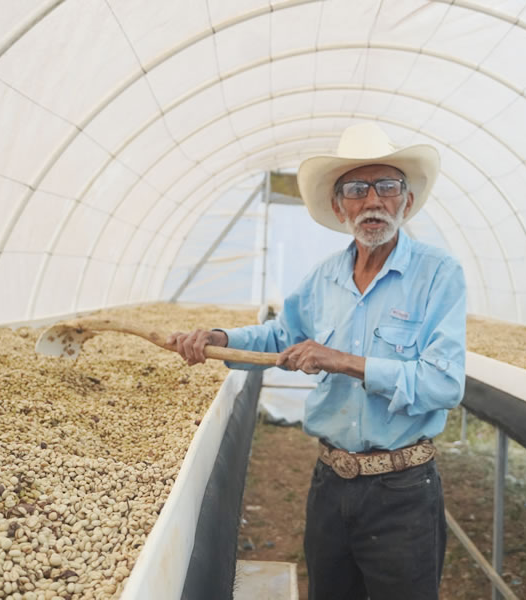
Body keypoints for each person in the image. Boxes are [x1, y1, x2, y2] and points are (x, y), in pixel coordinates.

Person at [168, 122, 467, 600]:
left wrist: (345, 361)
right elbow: (279, 335)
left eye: (387, 186)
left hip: (402, 489)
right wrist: (217, 339)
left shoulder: (438, 275)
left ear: (406, 201)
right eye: (355, 189)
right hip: (331, 482)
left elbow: (445, 384)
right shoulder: (324, 278)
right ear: (338, 206)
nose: (372, 200)